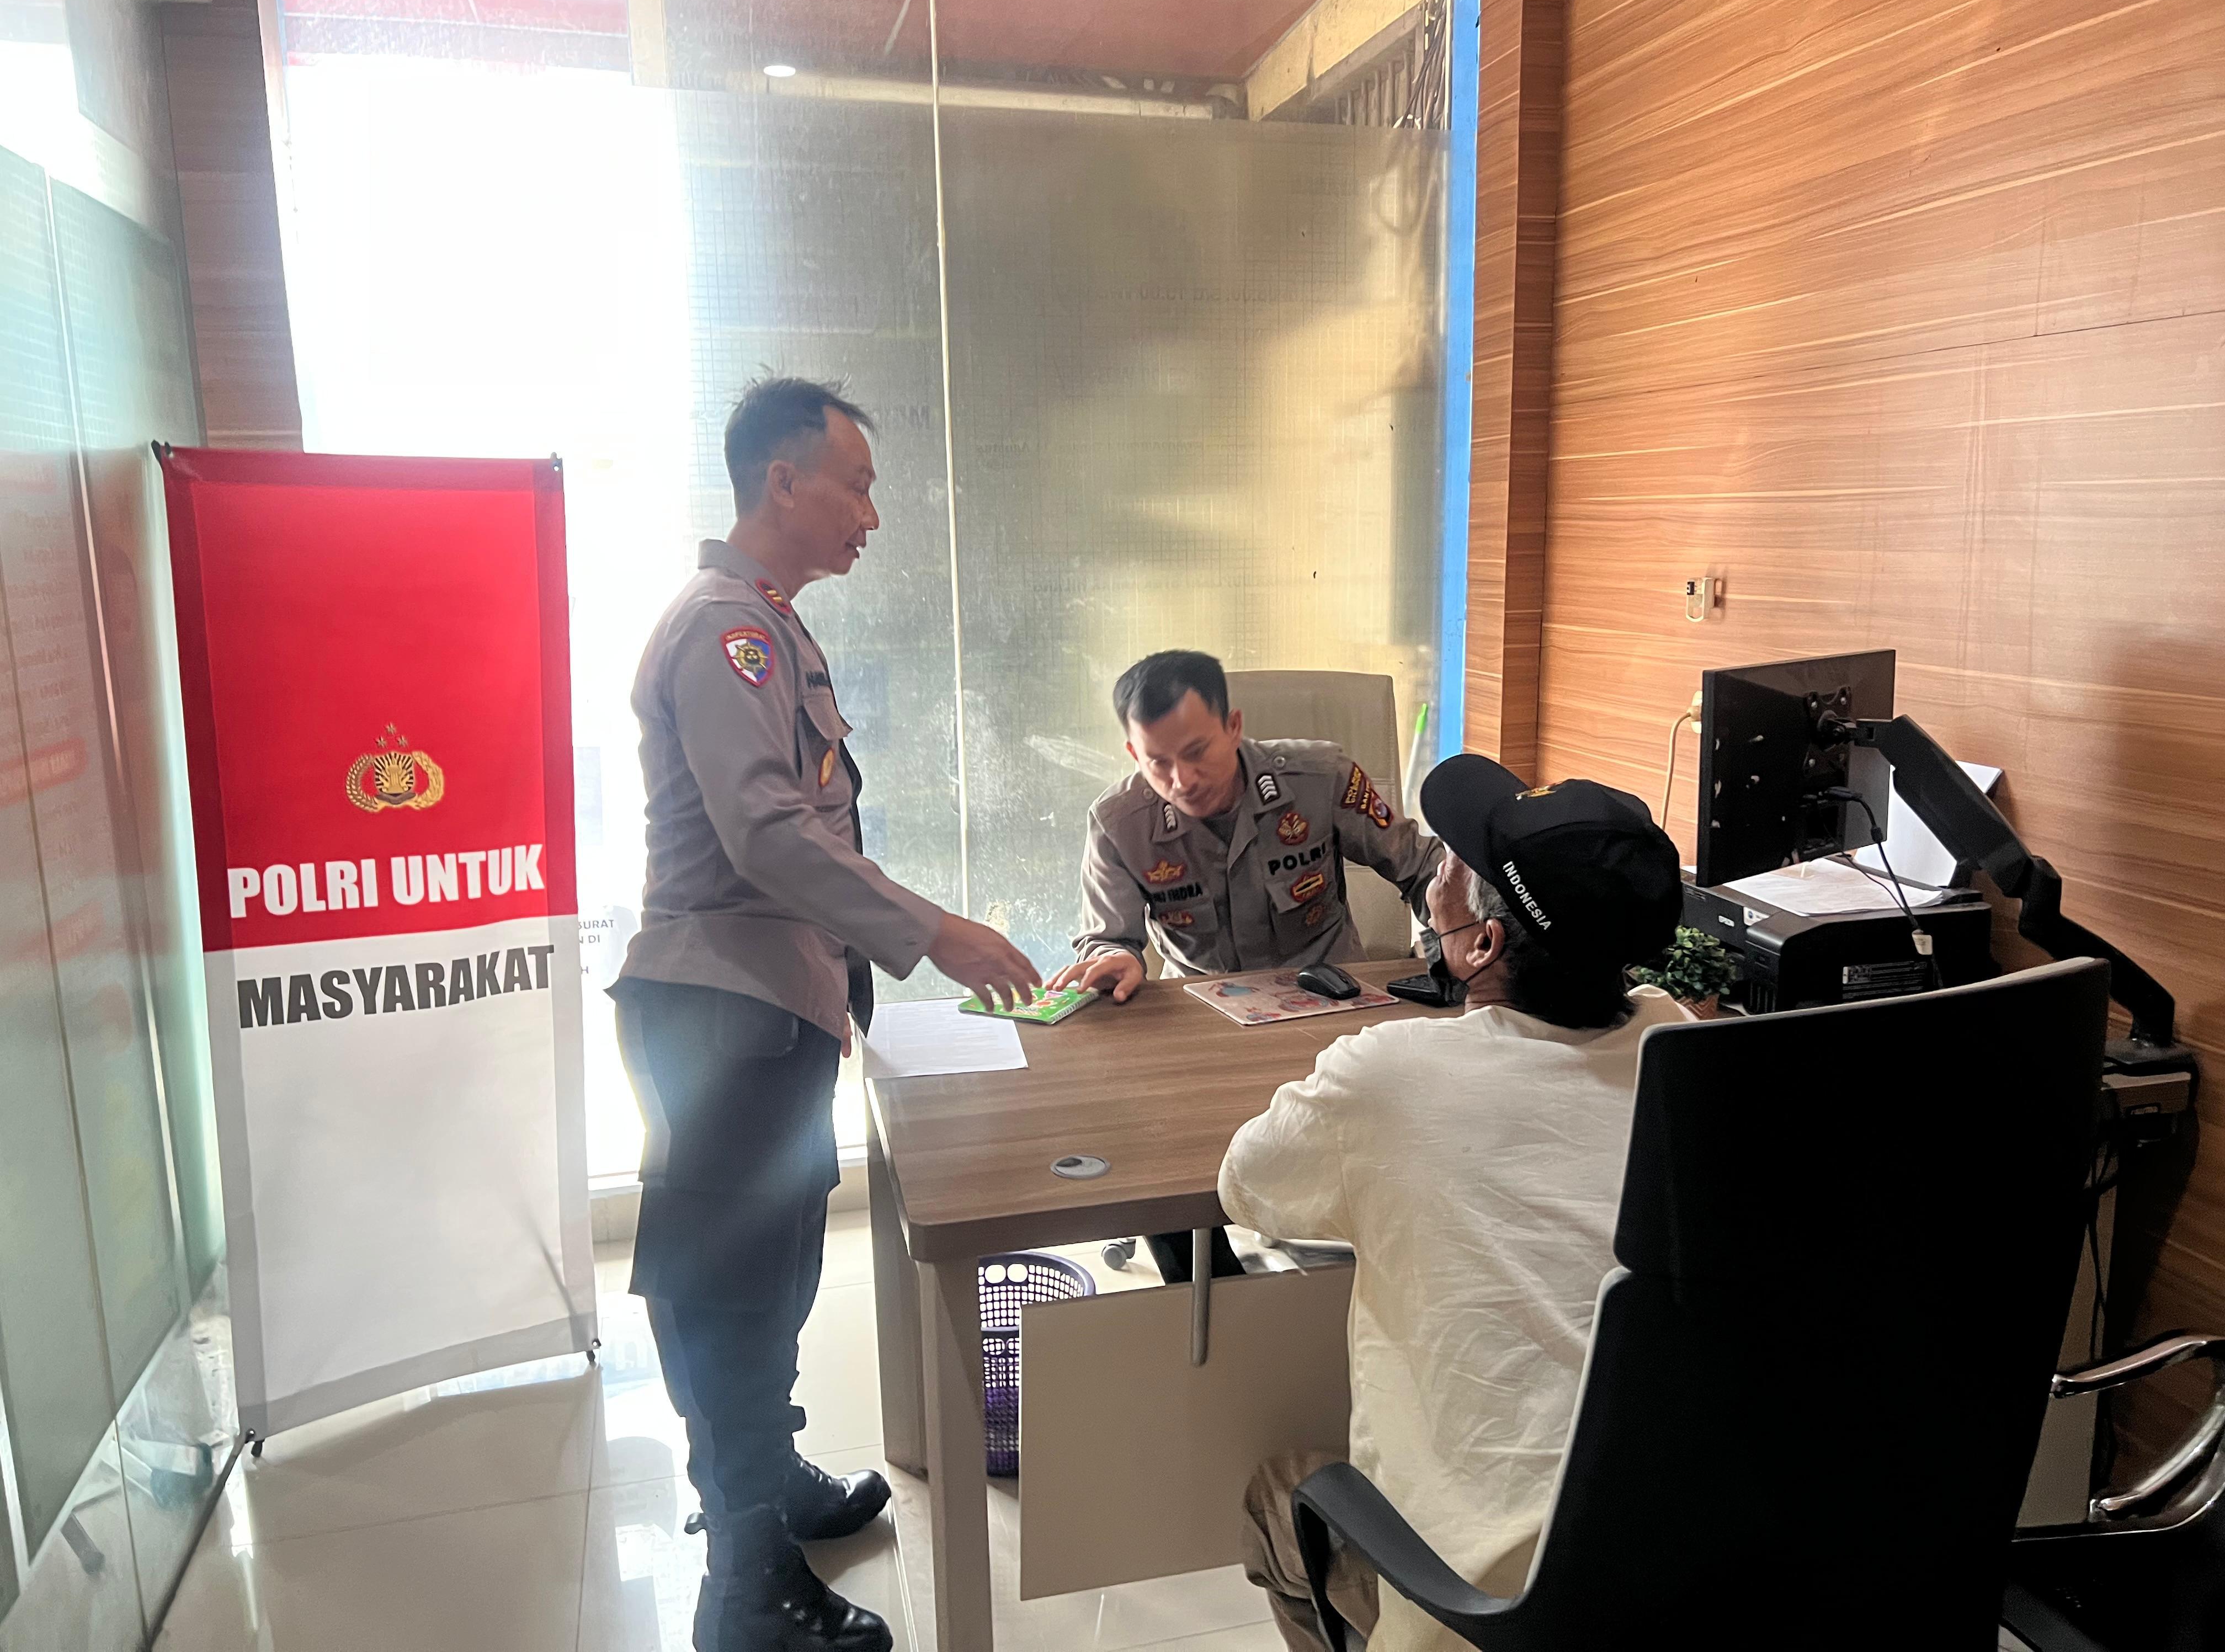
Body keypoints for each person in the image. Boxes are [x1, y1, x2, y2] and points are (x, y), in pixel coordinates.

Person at [612, 377, 1039, 1652]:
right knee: (731, 1294)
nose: (871, 514)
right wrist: (934, 931)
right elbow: (765, 833)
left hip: (767, 1007)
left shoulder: (772, 626)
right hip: (721, 1011)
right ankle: (747, 1586)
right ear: (782, 479)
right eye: (856, 485)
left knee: (777, 1272)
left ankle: (769, 1480)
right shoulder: (726, 632)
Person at [1220, 757, 1688, 1652]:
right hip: (1689, 1575)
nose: (1436, 878)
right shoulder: (1679, 1045)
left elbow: (1248, 1184)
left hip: (1490, 1615)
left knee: (1278, 1492)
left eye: (1454, 869)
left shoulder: (1389, 1074)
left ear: (1481, 945)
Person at [1045, 648, 1445, 1280]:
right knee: (1152, 1145)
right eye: (1158, 762)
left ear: (1234, 727)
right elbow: (1105, 940)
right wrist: (1115, 958)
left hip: (1335, 1023)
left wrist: (1450, 953)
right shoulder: (1119, 823)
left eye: (1197, 751)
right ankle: (1214, 1299)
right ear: (1132, 753)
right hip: (1205, 1035)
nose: (1182, 779)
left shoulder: (1321, 779)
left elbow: (1429, 871)